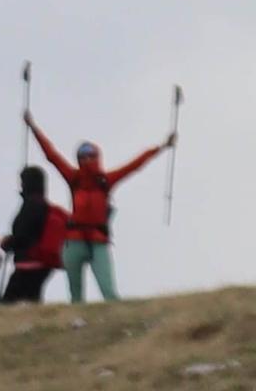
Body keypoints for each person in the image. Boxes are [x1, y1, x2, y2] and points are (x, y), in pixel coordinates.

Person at [29, 116, 175, 304]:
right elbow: (52, 155)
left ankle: (116, 321)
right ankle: (78, 324)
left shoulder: (104, 181)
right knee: (76, 297)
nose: (87, 159)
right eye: (82, 156)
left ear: (97, 157)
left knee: (108, 291)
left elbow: (135, 165)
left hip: (98, 241)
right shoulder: (75, 178)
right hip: (74, 242)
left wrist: (162, 146)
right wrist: (33, 127)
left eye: (90, 155)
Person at [0, 163, 64, 306]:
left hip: (28, 262)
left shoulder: (31, 205)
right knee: (32, 300)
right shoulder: (44, 205)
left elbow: (23, 236)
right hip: (42, 263)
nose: (20, 185)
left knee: (7, 305)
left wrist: (7, 243)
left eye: (22, 181)